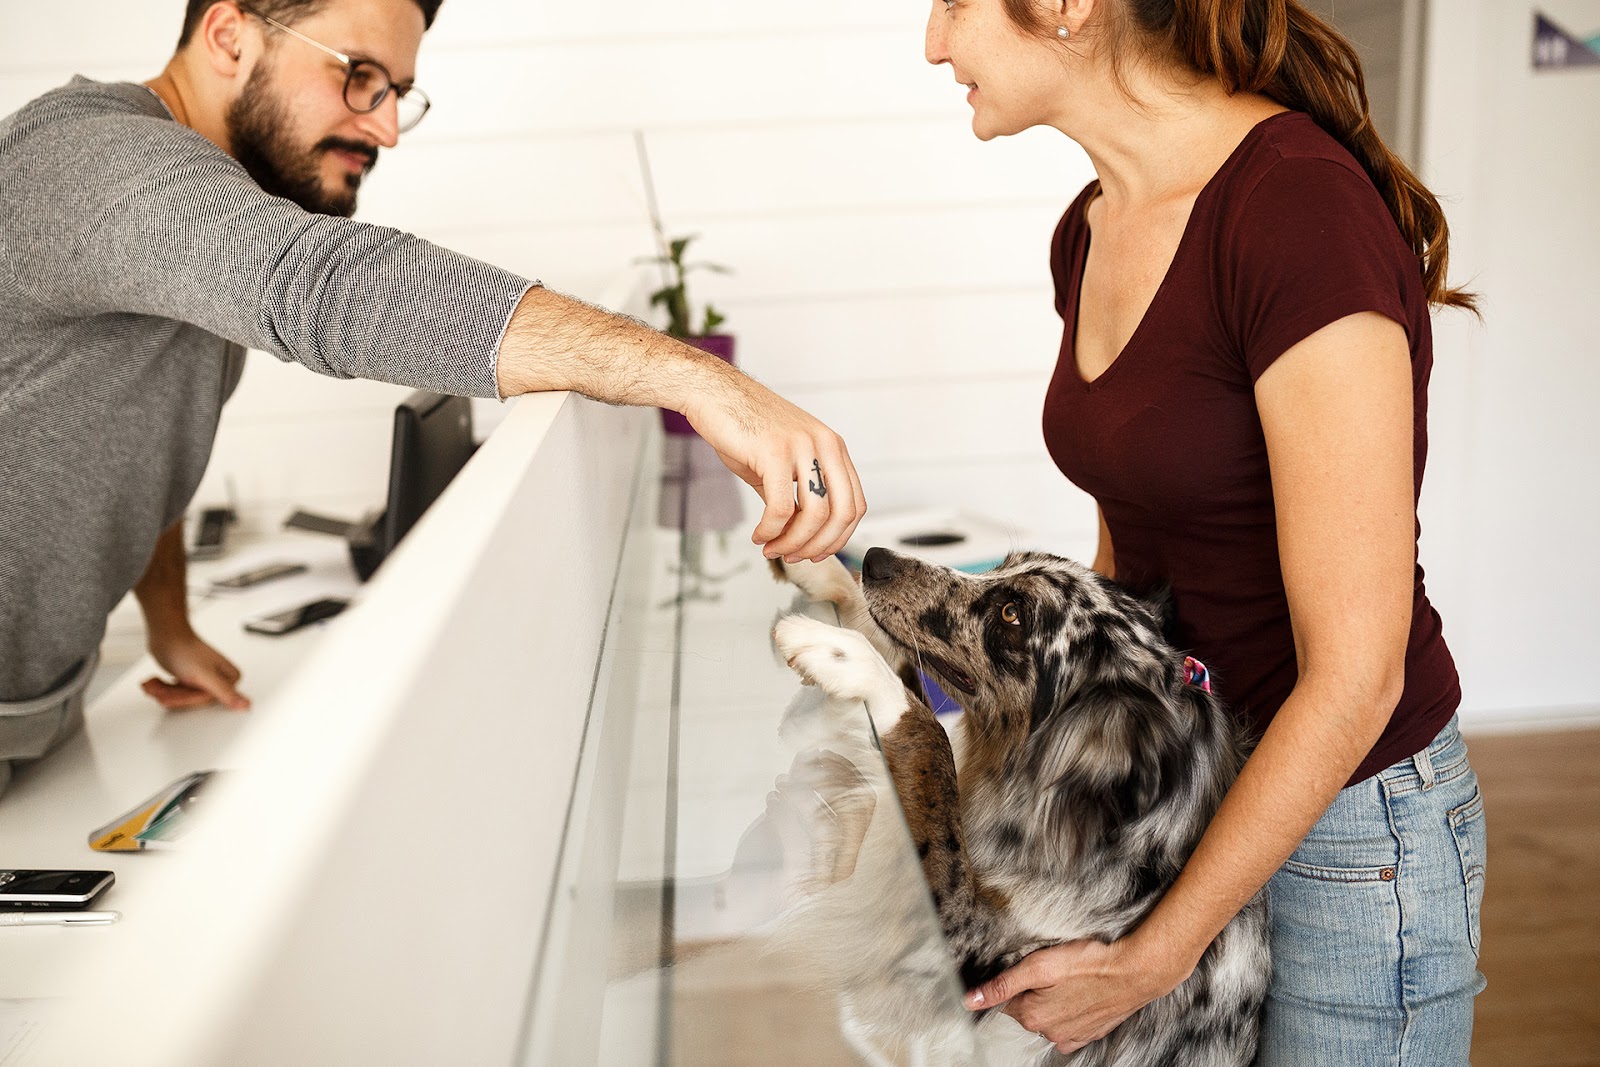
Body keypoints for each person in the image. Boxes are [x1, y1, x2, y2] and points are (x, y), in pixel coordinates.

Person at [0, 0, 866, 737]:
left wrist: (169, 621)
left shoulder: (194, 219)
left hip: (47, 709)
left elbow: (143, 434)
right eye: (360, 76)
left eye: (398, 96)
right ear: (229, 34)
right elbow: (319, 282)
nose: (383, 127)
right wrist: (703, 380)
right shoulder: (88, 163)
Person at [925, 0, 1484, 1062]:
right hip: (1186, 789)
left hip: (1350, 827)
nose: (933, 42)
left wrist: (1151, 953)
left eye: (952, 3)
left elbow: (1356, 675)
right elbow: (1127, 571)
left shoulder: (1295, 212)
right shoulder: (1089, 228)